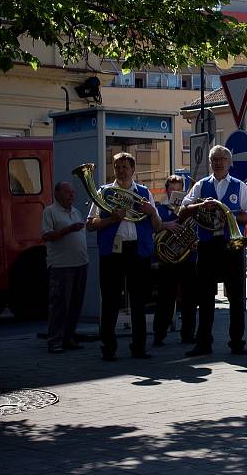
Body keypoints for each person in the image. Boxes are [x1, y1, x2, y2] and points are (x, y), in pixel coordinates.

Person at [86, 152, 163, 361]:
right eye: (117, 167)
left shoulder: (145, 192)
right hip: (112, 253)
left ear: (133, 170)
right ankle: (109, 348)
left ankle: (139, 348)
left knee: (139, 302)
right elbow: (90, 225)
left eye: (125, 167)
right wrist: (112, 219)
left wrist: (151, 212)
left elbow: (157, 227)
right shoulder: (103, 192)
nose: (121, 171)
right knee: (111, 301)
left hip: (138, 252)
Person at [181, 145, 247, 357]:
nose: (219, 162)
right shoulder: (201, 186)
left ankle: (237, 343)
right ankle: (203, 343)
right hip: (207, 245)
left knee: (237, 296)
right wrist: (200, 206)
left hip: (232, 245)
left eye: (223, 159)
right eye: (215, 159)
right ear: (210, 162)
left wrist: (229, 216)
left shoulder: (239, 186)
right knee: (204, 297)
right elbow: (183, 209)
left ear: (229, 162)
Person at [41, 182, 89, 354]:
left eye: (73, 192)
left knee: (75, 304)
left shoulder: (76, 211)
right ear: (57, 194)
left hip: (80, 263)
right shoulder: (50, 212)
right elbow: (47, 235)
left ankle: (69, 338)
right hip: (62, 266)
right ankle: (54, 341)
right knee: (60, 305)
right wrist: (69, 229)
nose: (72, 195)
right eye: (68, 192)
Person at [153, 175, 197, 346]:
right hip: (168, 260)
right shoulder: (161, 209)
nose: (175, 193)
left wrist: (195, 242)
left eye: (179, 190)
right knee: (165, 298)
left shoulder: (189, 209)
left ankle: (188, 334)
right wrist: (167, 225)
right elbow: (154, 227)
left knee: (189, 298)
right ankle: (159, 334)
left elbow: (197, 229)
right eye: (172, 190)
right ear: (167, 190)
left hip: (188, 257)